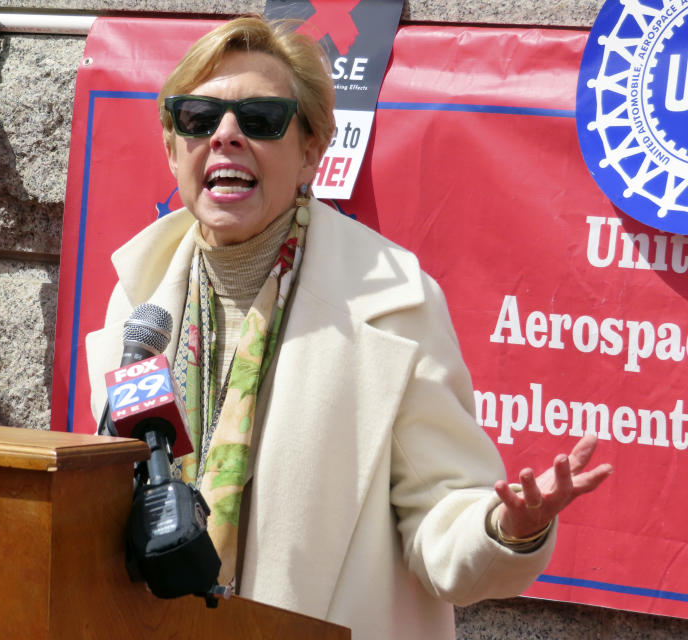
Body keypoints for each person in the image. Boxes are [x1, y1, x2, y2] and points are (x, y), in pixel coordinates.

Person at [84, 16, 613, 639]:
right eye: (198, 119)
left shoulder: (391, 303)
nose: (225, 135)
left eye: (261, 119)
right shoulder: (138, 301)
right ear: (173, 148)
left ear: (311, 149)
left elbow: (443, 522)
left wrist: (504, 530)